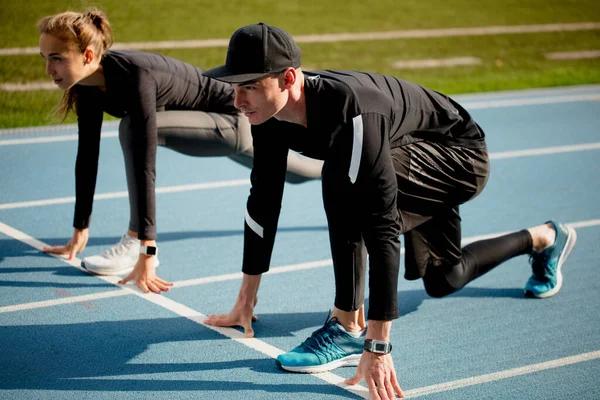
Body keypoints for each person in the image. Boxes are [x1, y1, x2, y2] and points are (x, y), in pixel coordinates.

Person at [202, 23, 578, 399]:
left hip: (459, 158)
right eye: (235, 87)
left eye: (249, 86)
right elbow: (263, 200)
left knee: (344, 176)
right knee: (445, 278)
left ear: (287, 79)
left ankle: (347, 326)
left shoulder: (350, 110)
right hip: (411, 155)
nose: (237, 101)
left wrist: (377, 345)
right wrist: (245, 302)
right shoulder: (268, 116)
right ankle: (544, 237)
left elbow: (381, 225)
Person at [37, 10, 323, 294]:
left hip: (232, 119)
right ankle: (333, 168)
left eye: (57, 59)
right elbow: (87, 156)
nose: (49, 70)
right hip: (210, 123)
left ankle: (133, 240)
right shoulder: (86, 88)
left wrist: (146, 249)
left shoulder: (134, 74)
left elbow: (145, 163)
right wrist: (80, 230)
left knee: (131, 130)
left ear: (87, 56)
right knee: (298, 173)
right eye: (45, 59)